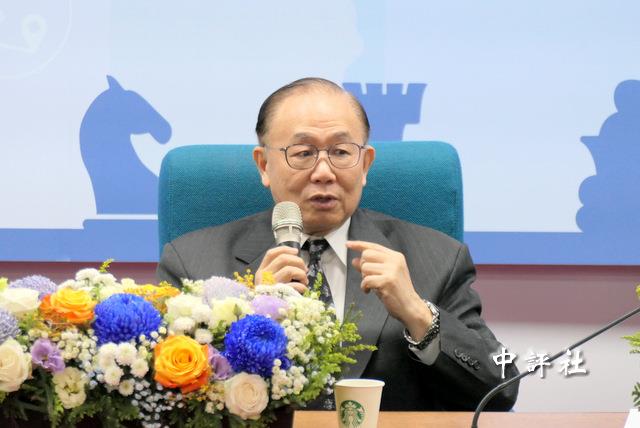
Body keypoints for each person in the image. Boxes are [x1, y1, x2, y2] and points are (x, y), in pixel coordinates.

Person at [157, 78, 519, 411]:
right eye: (303, 153)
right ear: (264, 165)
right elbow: (165, 402)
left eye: (341, 152)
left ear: (365, 164)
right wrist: (252, 314)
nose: (324, 172)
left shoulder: (438, 259)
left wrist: (419, 315)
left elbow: (500, 391)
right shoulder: (193, 262)